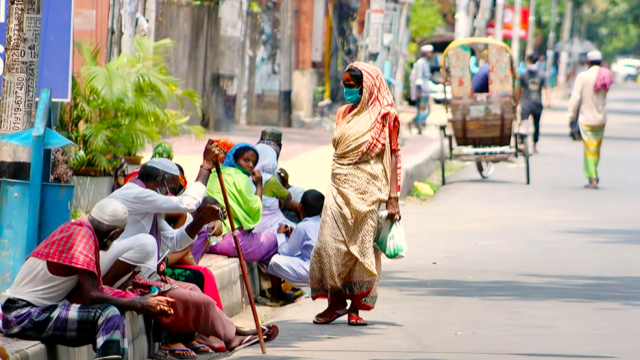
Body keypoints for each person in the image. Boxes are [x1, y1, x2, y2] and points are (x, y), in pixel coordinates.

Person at [0, 199, 174, 360]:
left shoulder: (79, 229)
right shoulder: (82, 237)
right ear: (115, 233)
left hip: (27, 311)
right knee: (107, 314)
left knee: (115, 311)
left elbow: (98, 289)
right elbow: (91, 295)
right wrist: (139, 304)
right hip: (20, 314)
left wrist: (138, 300)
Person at [310, 62, 401, 326]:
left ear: (367, 87)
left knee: (362, 250)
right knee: (328, 245)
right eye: (345, 85)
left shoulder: (386, 116)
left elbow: (393, 155)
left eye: (352, 86)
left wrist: (393, 198)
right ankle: (335, 303)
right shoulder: (342, 113)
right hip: (339, 187)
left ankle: (355, 308)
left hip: (369, 190)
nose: (347, 90)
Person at [567, 50, 613, 189]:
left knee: (588, 148)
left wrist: (570, 116)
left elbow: (575, 98)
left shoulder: (583, 76)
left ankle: (592, 176)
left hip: (586, 118)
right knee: (596, 149)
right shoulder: (605, 75)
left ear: (588, 62)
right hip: (600, 119)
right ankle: (593, 172)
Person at [268, 190, 324, 288]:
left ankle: (308, 286)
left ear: (300, 208)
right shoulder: (326, 223)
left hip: (314, 273)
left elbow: (285, 252)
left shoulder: (302, 226)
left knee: (274, 261)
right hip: (330, 271)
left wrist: (280, 235)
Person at [516, 54, 549, 153]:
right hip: (537, 103)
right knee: (536, 125)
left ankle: (522, 144)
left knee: (523, 123)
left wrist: (517, 101)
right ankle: (534, 145)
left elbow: (519, 90)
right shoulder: (542, 74)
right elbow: (547, 88)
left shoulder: (524, 74)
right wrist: (548, 100)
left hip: (527, 103)